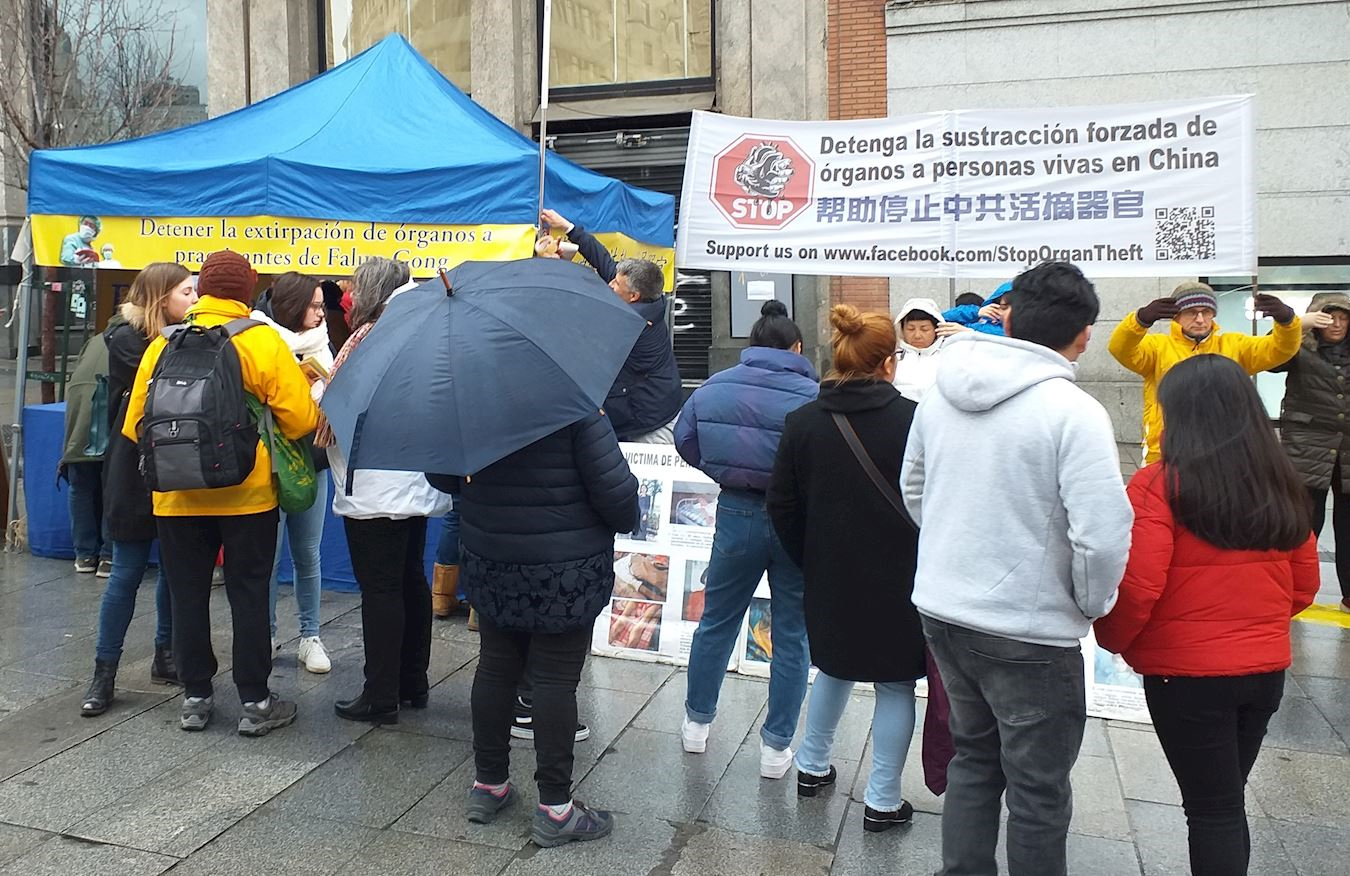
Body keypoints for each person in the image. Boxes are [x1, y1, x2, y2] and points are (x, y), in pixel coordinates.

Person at [900, 262, 1134, 876]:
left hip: (944, 610)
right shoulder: (1073, 411)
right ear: (1084, 334)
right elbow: (1103, 536)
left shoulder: (941, 393)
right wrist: (1089, 603)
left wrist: (959, 551)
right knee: (1038, 788)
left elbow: (915, 489)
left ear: (1013, 317)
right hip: (1029, 631)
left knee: (974, 759)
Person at [1095, 354, 1320, 876]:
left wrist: (1114, 642)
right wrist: (1255, 629)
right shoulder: (1281, 483)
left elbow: (1137, 588)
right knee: (1226, 801)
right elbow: (1304, 585)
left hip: (1186, 678)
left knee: (1212, 809)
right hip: (1264, 673)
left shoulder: (1156, 486)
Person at [122, 250, 319, 736]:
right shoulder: (261, 342)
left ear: (203, 288)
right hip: (246, 495)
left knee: (187, 594)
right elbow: (301, 420)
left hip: (174, 495)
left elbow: (134, 428)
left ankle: (195, 696)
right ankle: (254, 700)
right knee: (249, 594)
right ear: (248, 291)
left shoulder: (163, 344)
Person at [433, 401, 637, 848]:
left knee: (495, 668)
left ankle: (488, 785)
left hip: (492, 557)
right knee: (554, 682)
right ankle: (555, 809)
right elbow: (619, 498)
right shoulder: (577, 406)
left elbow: (442, 475)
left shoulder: (473, 404)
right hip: (563, 569)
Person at [768, 304, 923, 832]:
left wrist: (809, 555)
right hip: (903, 574)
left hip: (828, 569)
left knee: (832, 665)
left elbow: (781, 505)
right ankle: (882, 800)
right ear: (888, 363)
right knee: (896, 684)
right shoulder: (915, 419)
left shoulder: (803, 422)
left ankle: (811, 767)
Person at [676, 300, 818, 778]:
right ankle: (776, 749)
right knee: (792, 633)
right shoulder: (813, 394)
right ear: (797, 347)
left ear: (751, 345)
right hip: (796, 519)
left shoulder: (715, 387)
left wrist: (722, 471)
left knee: (716, 621)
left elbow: (685, 438)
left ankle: (696, 725)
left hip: (736, 510)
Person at [320, 258, 451, 724]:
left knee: (380, 589)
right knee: (409, 581)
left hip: (376, 483)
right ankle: (412, 682)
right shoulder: (417, 329)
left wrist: (319, 391)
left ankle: (380, 694)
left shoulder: (373, 339)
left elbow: (346, 405)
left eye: (354, 286)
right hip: (412, 476)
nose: (348, 296)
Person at [79, 263, 195, 716]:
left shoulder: (179, 335)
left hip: (175, 466)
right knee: (126, 571)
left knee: (173, 568)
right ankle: (103, 673)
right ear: (162, 296)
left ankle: (166, 654)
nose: (193, 299)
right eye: (186, 292)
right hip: (133, 469)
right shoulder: (128, 341)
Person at [1108, 281, 1301, 464]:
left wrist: (1287, 322)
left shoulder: (1234, 346)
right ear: (1176, 316)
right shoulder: (1157, 347)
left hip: (1223, 450)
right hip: (1165, 452)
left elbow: (1280, 350)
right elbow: (1120, 349)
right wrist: (1140, 320)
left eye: (1206, 312)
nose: (1200, 319)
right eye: (1192, 312)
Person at [540, 208, 682, 443]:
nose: (610, 285)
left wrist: (557, 267)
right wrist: (569, 228)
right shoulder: (645, 298)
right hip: (649, 405)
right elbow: (605, 262)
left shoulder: (629, 322)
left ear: (634, 296)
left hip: (649, 425)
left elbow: (578, 304)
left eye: (616, 284)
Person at [252, 272, 334, 673]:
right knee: (268, 555)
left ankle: (310, 635)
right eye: (315, 305)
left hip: (313, 458)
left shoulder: (323, 343)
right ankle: (265, 634)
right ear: (292, 305)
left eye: (322, 305)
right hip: (270, 462)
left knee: (308, 553)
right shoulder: (260, 337)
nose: (322, 314)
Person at [1273, 292, 1350, 612]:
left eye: (1344, 317)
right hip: (1306, 445)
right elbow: (1270, 356)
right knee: (1304, 523)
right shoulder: (1297, 347)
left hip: (1346, 450)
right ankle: (1290, 588)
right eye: (1330, 316)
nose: (1337, 323)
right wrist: (1298, 325)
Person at [61, 328, 113, 576]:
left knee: (81, 484)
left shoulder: (96, 340)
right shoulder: (135, 340)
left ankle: (84, 555)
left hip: (78, 425)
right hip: (104, 424)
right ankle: (109, 555)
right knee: (112, 484)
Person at [891, 297, 947, 402]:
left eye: (924, 329)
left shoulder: (947, 357)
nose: (917, 335)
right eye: (911, 329)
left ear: (937, 329)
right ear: (901, 329)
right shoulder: (893, 359)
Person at [942, 282, 1009, 335]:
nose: (1009, 311)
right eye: (1004, 307)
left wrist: (971, 333)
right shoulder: (984, 325)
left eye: (1017, 307)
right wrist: (977, 312)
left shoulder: (1013, 332)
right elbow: (941, 318)